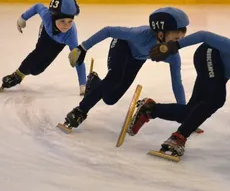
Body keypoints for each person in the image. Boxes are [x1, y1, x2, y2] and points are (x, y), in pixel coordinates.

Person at [128, 25, 230, 158]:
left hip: (221, 71)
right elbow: (204, 36)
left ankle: (151, 109)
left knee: (191, 112)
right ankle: (178, 138)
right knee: (216, 98)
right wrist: (173, 46)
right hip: (208, 53)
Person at [61, 7, 189, 129]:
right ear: (160, 35)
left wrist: (184, 114)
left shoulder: (173, 55)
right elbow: (108, 30)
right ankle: (80, 111)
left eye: (181, 39)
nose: (179, 44)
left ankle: (94, 82)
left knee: (110, 99)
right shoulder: (141, 35)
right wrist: (83, 48)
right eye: (176, 39)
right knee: (115, 77)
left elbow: (177, 83)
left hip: (137, 59)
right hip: (122, 46)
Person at [0, 0, 86, 94]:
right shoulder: (47, 17)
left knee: (38, 70)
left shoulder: (71, 35)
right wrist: (23, 18)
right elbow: (37, 6)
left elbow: (78, 60)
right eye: (62, 21)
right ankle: (18, 75)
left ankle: (24, 72)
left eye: (70, 21)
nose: (66, 26)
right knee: (39, 53)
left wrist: (83, 84)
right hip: (46, 32)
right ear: (53, 17)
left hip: (59, 42)